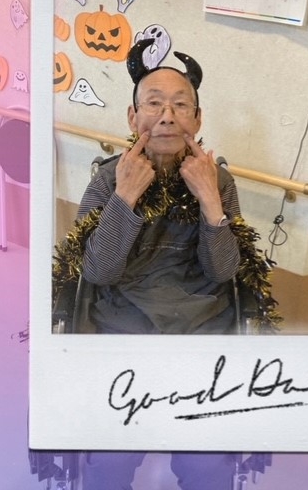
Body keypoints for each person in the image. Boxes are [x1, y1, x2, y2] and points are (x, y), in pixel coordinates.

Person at [72, 38, 243, 489]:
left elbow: (224, 272)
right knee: (107, 464)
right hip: (124, 332)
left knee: (208, 468)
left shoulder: (220, 181)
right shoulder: (107, 178)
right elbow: (97, 272)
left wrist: (210, 200)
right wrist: (125, 196)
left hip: (201, 333)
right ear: (133, 117)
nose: (167, 116)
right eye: (153, 103)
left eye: (180, 105)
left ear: (197, 119)